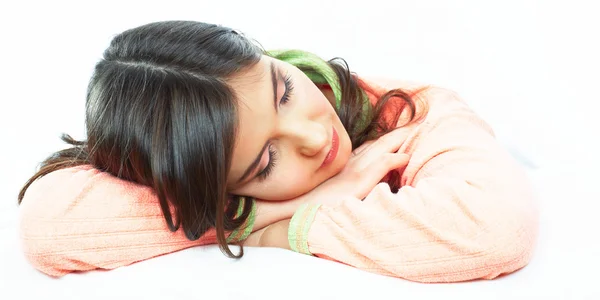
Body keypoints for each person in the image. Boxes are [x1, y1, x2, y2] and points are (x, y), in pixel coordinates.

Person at [17, 20, 538, 283]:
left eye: (284, 92)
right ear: (218, 187)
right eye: (265, 162)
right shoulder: (181, 166)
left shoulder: (408, 113)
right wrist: (283, 218)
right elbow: (48, 226)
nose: (314, 138)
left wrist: (283, 223)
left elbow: (493, 230)